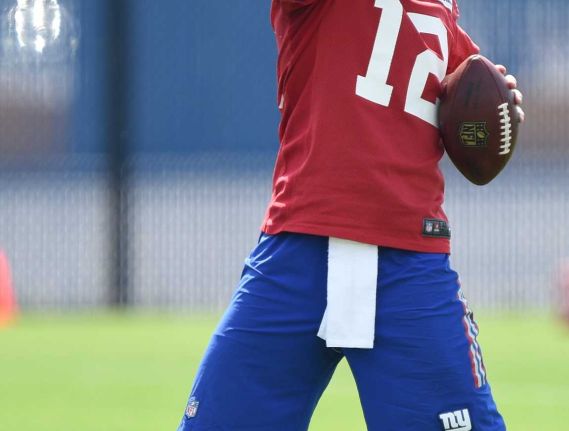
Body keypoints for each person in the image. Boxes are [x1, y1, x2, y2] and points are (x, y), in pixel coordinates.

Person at [178, 0, 524, 430]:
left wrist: (494, 98)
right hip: (299, 252)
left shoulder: (439, 7)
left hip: (408, 262)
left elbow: (465, 82)